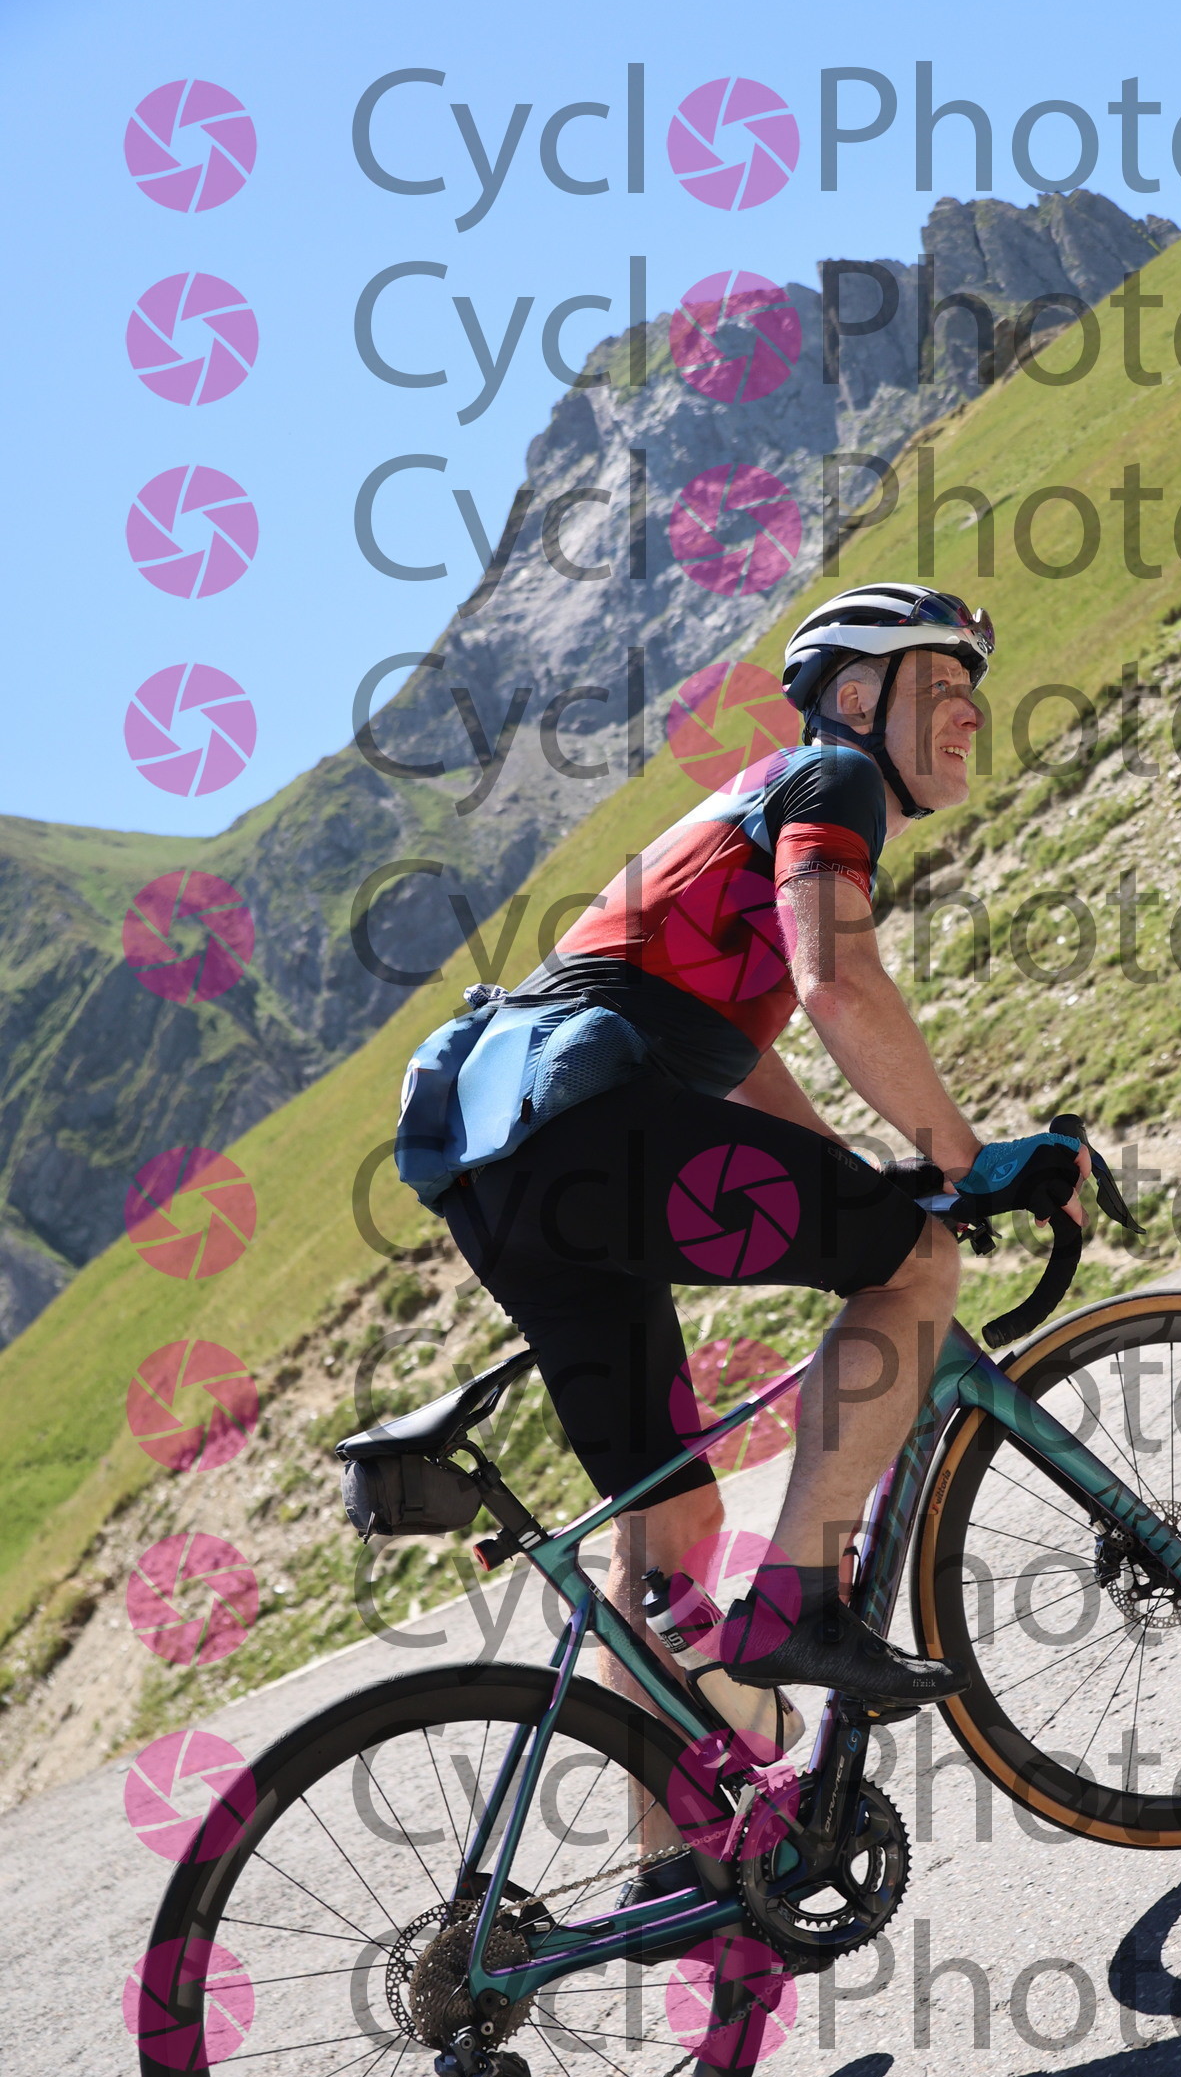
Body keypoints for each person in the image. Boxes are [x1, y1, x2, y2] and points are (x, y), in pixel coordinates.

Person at [441, 583, 1088, 1900]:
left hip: (502, 1164)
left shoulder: (734, 829)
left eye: (975, 692)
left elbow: (735, 1060)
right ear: (854, 697)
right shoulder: (829, 781)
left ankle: (668, 1870)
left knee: (664, 1524)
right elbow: (837, 982)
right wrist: (967, 1165)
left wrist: (872, 1176)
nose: (970, 714)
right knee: (915, 1268)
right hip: (588, 1124)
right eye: (940, 685)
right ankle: (798, 1604)